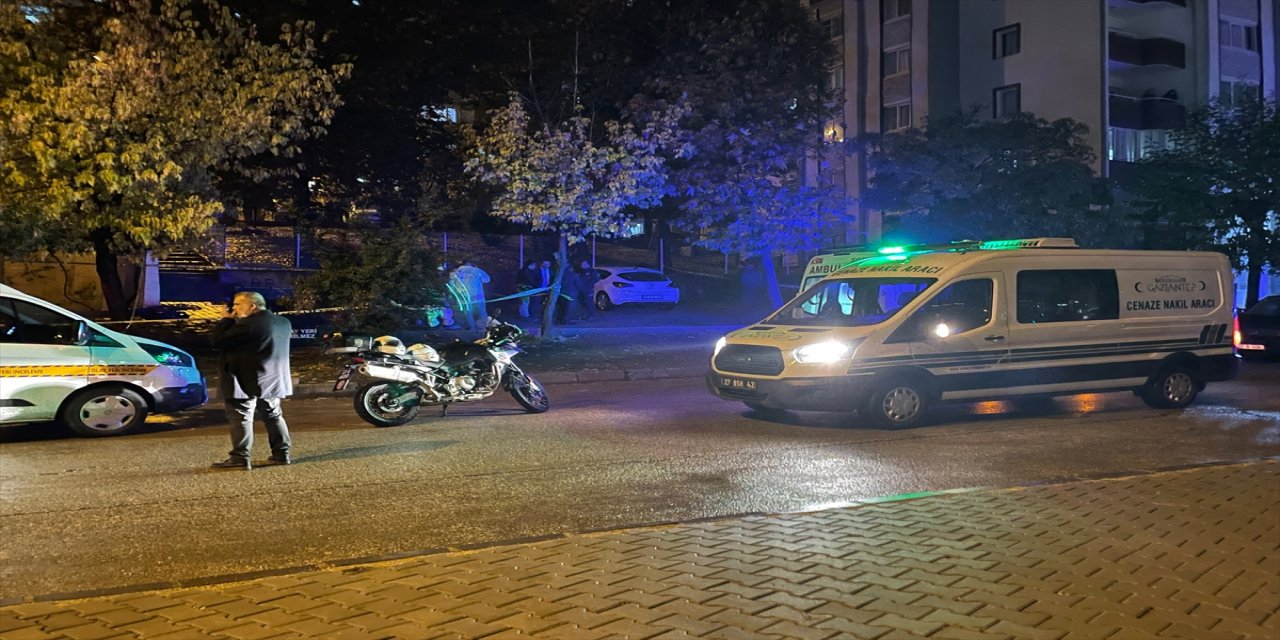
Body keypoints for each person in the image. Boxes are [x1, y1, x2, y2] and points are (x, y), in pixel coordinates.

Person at [210, 291, 293, 469]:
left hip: (244, 379)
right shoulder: (283, 322)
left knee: (241, 418)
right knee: (274, 416)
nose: (234, 309)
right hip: (273, 378)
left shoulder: (249, 324)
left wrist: (226, 320)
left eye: (238, 305)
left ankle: (240, 457)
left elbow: (217, 341)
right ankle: (282, 454)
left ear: (252, 306)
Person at [450, 258, 491, 330]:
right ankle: (485, 329)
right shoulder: (477, 270)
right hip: (478, 297)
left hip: (464, 298)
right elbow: (487, 280)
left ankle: (472, 329)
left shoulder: (455, 272)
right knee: (482, 314)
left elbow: (451, 285)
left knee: (468, 315)